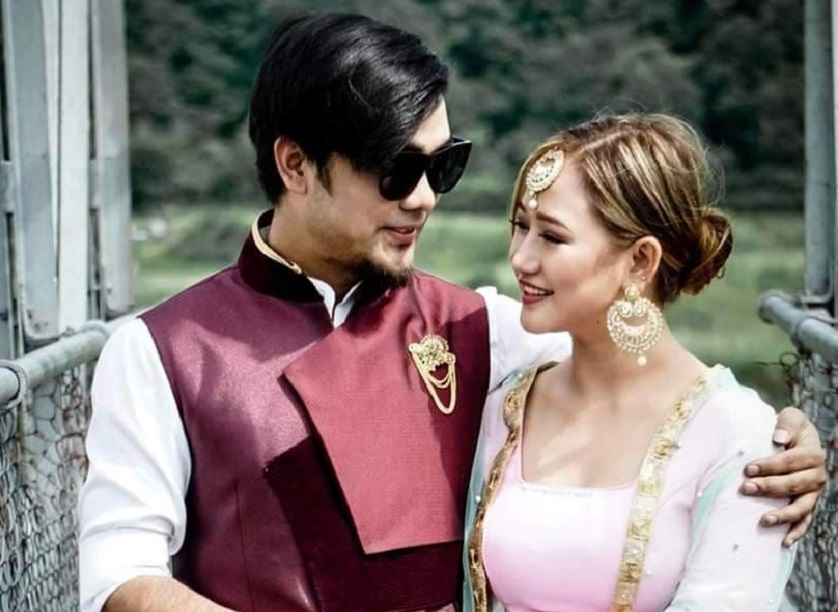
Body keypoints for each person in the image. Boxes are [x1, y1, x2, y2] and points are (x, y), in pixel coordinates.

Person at [78, 13, 825, 612]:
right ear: (296, 164)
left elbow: (639, 380)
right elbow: (119, 574)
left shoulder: (483, 330)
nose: (425, 197)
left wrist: (778, 438)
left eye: (444, 166)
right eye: (397, 170)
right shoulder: (160, 350)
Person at [463, 114, 807, 612]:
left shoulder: (738, 436)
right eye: (520, 226)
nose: (520, 258)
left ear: (641, 261)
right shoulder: (503, 400)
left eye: (552, 237)